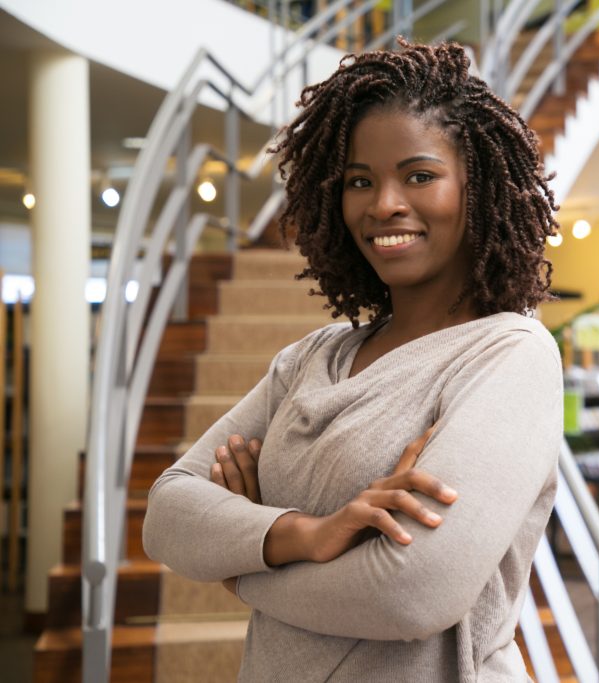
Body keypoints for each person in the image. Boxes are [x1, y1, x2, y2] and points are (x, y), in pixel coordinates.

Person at [142, 40, 564, 682]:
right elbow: (168, 512)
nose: (383, 204)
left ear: (475, 189)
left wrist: (244, 567)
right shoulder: (311, 359)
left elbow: (413, 591)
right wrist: (309, 534)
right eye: (359, 181)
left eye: (420, 175)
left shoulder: (510, 355)